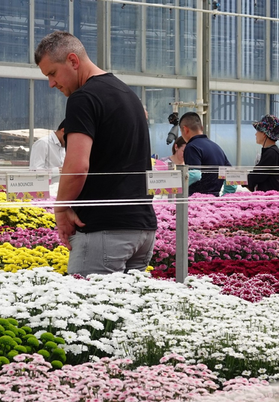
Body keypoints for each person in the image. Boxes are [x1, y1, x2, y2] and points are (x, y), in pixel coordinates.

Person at [35, 30, 157, 277]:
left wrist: (61, 209)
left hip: (104, 231)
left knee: (85, 301)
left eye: (52, 73)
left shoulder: (83, 98)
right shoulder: (128, 95)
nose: (51, 83)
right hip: (142, 229)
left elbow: (77, 166)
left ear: (73, 60)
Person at [179, 111, 232, 197]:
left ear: (185, 129)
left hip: (197, 200)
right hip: (215, 200)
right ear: (202, 128)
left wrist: (175, 184)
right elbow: (231, 175)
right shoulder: (217, 148)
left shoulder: (191, 147)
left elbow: (195, 175)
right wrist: (224, 198)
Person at [246, 114, 279, 192]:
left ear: (264, 134)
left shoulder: (271, 153)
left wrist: (236, 177)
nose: (255, 134)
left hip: (270, 197)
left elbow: (256, 176)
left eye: (258, 131)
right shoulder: (271, 152)